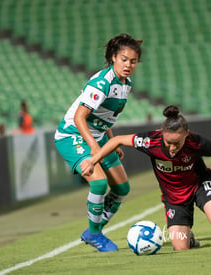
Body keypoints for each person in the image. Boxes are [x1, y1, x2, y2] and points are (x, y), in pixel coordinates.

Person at [81, 105, 211, 251]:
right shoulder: (151, 141)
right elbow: (116, 140)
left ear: (186, 134)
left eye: (177, 143)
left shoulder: (196, 142)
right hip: (174, 198)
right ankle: (189, 238)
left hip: (199, 185)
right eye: (168, 143)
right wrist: (93, 160)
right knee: (181, 247)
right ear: (162, 134)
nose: (172, 148)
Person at [54, 33, 143, 252]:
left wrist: (112, 142)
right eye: (124, 59)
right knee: (99, 184)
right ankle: (95, 234)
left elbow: (105, 117)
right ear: (113, 58)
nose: (128, 65)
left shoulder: (126, 83)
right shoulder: (102, 82)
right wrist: (95, 149)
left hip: (99, 136)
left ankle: (94, 230)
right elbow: (79, 117)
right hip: (72, 135)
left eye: (133, 61)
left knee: (122, 188)